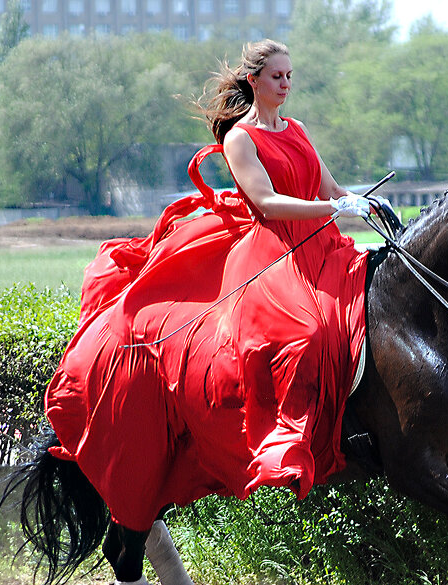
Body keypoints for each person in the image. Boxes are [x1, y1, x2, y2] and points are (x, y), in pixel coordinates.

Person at [44, 40, 373, 534]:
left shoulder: (299, 129)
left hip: (323, 246)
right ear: (255, 81)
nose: (286, 84)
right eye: (278, 76)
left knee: (362, 316)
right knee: (305, 334)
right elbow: (266, 202)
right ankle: (284, 445)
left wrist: (361, 201)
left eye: (290, 76)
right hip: (274, 253)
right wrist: (332, 210)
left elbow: (329, 188)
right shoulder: (241, 139)